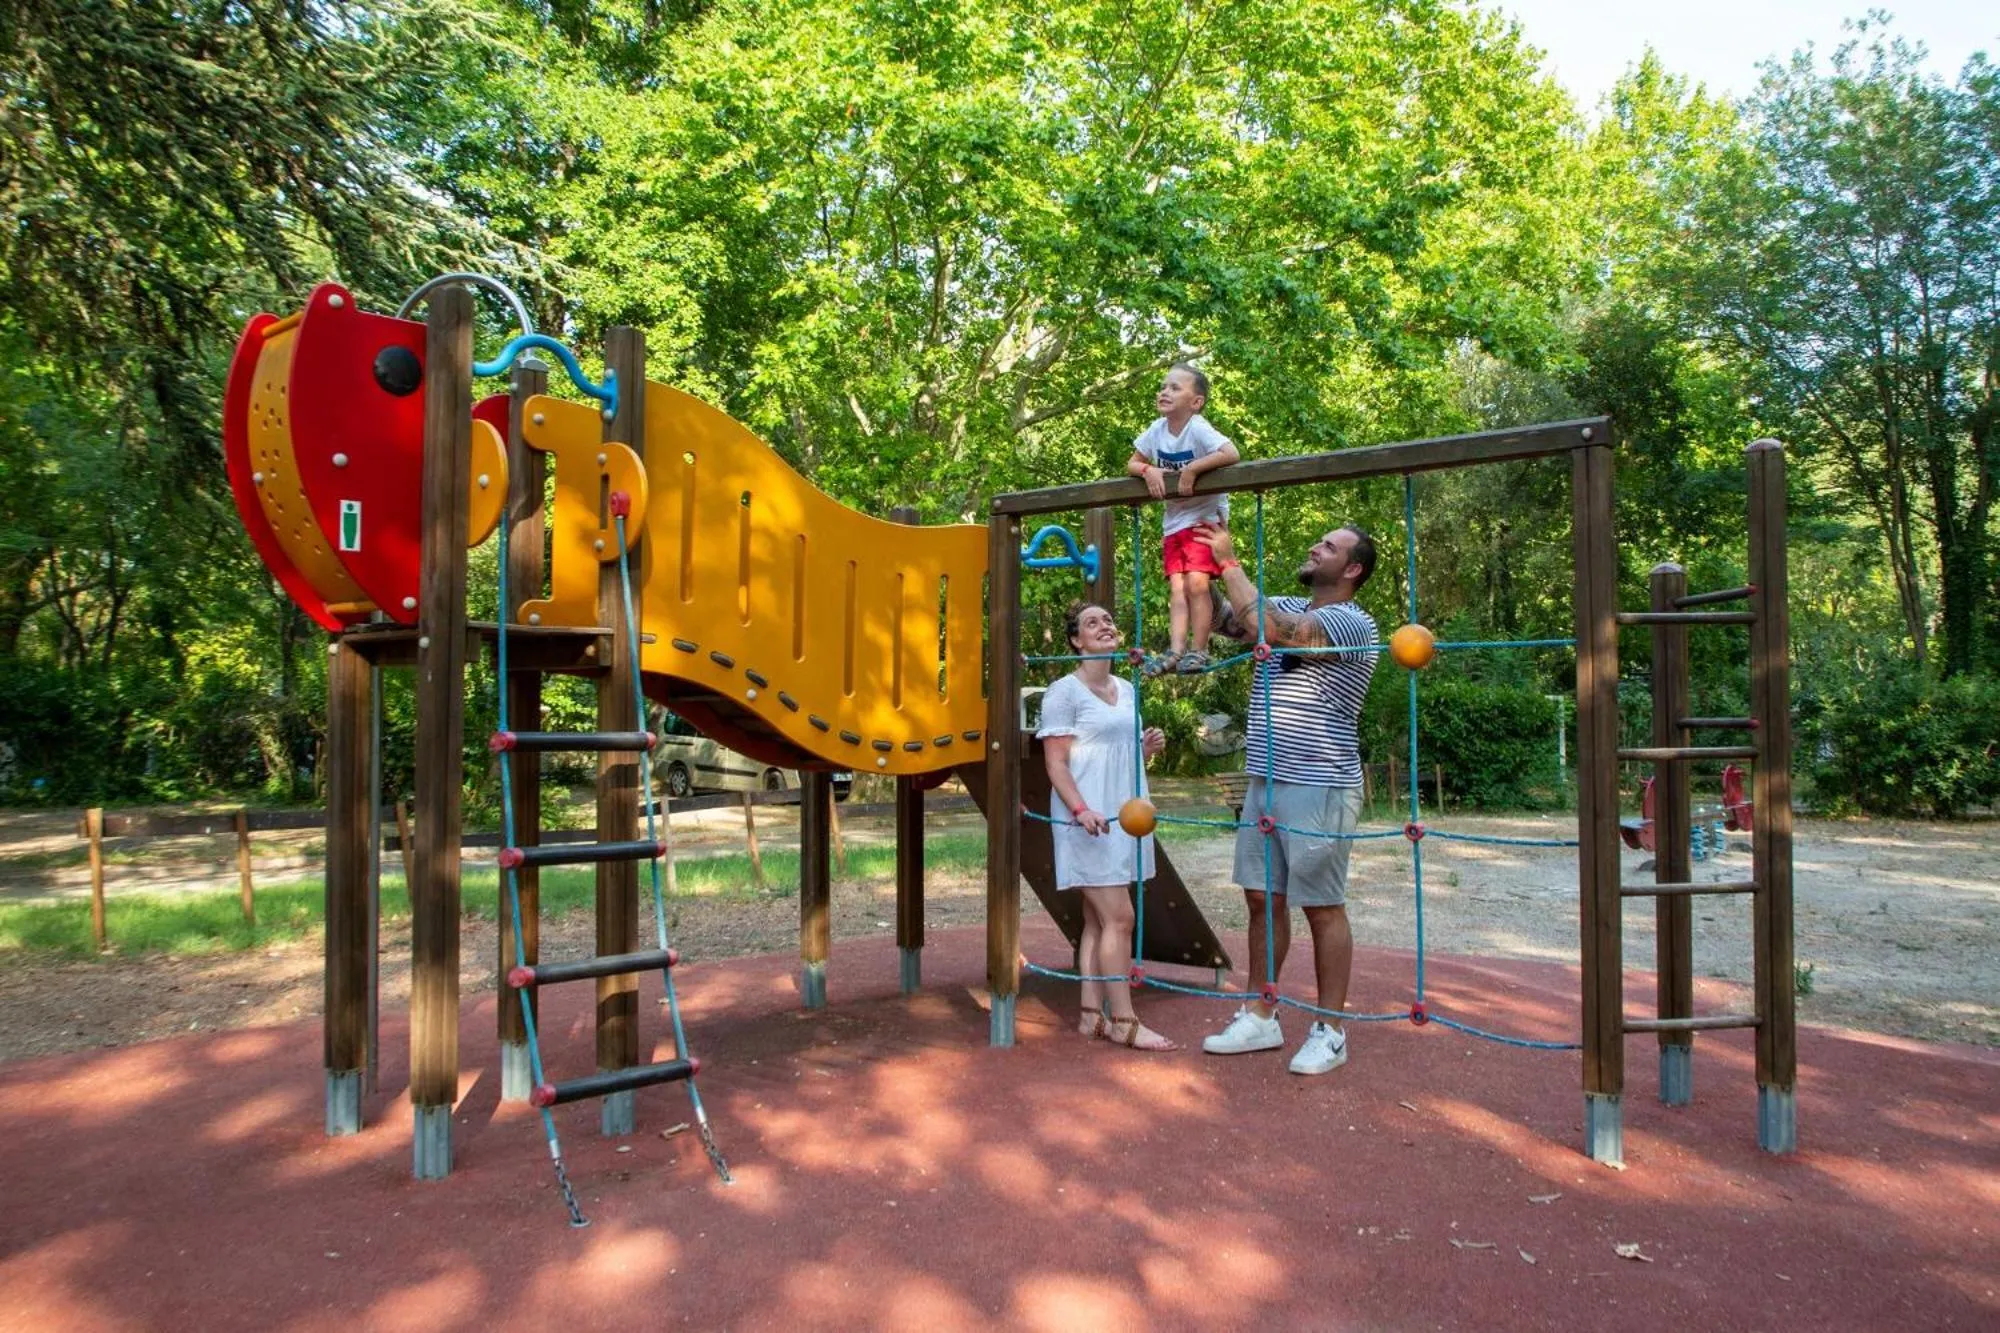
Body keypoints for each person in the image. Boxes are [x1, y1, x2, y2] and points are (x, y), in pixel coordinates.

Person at [1191, 521, 1378, 1075]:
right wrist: (1191, 568)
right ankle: (1261, 1014)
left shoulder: (1350, 620)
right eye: (1317, 538)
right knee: (1260, 899)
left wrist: (1228, 564)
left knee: (1321, 906)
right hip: (1265, 777)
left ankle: (1330, 1030)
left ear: (1351, 570)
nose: (1315, 544)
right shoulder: (1293, 599)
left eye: (1330, 546)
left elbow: (1276, 629)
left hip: (1320, 781)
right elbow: (1233, 620)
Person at [1036, 601, 1175, 1051]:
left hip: (1125, 816)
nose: (1104, 626)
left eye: (1108, 620)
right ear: (1076, 640)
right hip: (1088, 820)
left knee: (1097, 922)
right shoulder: (1064, 692)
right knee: (1121, 917)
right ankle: (1125, 1022)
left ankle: (1089, 1014)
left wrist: (1145, 748)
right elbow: (1056, 764)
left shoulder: (1126, 688)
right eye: (1091, 623)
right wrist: (1080, 810)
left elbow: (1115, 752)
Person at [1126, 364, 1239, 677]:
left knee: (1197, 585)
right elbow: (1132, 463)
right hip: (1174, 522)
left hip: (1203, 518)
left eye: (1175, 388)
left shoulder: (1198, 427)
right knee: (1177, 588)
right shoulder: (1156, 429)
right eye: (1163, 386)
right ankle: (1176, 650)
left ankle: (1199, 649)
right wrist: (1149, 470)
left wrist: (1192, 470)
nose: (1165, 391)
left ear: (1196, 402)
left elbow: (1231, 453)